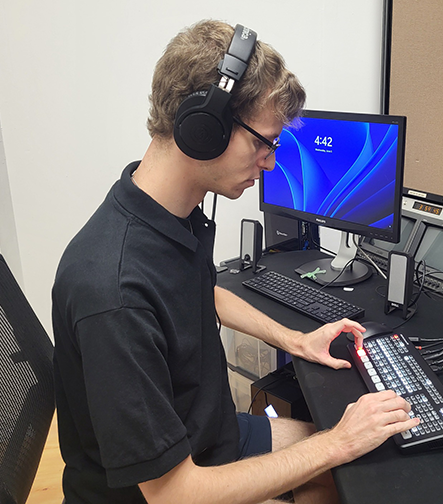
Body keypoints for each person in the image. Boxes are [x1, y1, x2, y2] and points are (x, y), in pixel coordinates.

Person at [52, 20, 419, 504]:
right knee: (343, 454)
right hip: (163, 488)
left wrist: (296, 340)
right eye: (264, 142)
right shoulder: (114, 292)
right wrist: (336, 443)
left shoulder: (165, 213)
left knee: (359, 465)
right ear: (203, 129)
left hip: (210, 437)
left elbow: (202, 292)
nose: (270, 162)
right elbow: (173, 494)